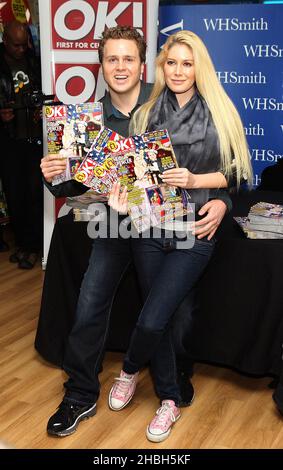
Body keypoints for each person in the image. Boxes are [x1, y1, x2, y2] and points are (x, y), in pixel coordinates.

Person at [40, 26, 231, 437]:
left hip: (166, 225)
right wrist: (53, 175)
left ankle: (172, 381)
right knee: (90, 301)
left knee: (174, 312)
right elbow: (73, 183)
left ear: (143, 64)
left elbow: (212, 166)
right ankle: (79, 394)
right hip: (113, 224)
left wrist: (223, 201)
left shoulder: (167, 100)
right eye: (112, 59)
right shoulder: (88, 120)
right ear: (102, 65)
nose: (121, 67)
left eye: (129, 58)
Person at [108, 30, 252, 443]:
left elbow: (239, 175)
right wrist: (122, 199)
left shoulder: (221, 111)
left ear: (199, 67)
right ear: (161, 67)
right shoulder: (146, 114)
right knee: (163, 318)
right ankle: (169, 400)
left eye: (187, 63)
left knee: (154, 317)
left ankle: (130, 369)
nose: (178, 70)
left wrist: (197, 181)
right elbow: (133, 178)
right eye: (171, 63)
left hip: (195, 231)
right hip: (149, 227)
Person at [0, 21, 43, 269]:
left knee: (34, 193)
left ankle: (32, 246)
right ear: (5, 41)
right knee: (15, 195)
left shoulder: (33, 60)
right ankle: (24, 244)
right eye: (15, 45)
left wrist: (40, 111)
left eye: (24, 44)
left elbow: (43, 92)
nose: (21, 49)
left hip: (34, 137)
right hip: (9, 139)